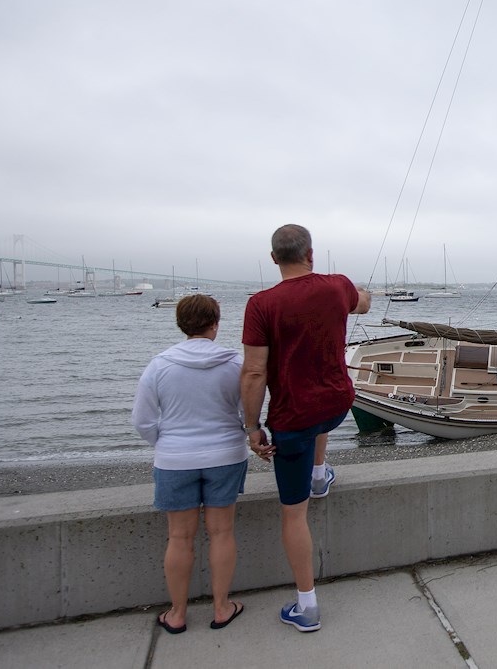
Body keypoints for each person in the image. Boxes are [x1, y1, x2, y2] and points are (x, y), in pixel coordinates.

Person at [241, 224, 371, 633]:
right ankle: (320, 475)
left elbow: (254, 373)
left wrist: (252, 427)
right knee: (319, 419)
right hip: (337, 405)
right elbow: (363, 303)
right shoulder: (337, 286)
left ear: (274, 259)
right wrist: (359, 294)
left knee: (294, 514)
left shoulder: (261, 304)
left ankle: (307, 606)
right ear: (310, 254)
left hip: (293, 419)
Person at [131, 294, 247, 634]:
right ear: (216, 322)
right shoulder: (234, 363)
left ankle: (178, 613)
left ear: (181, 324)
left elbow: (142, 420)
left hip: (174, 459)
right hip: (225, 456)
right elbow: (248, 411)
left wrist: (167, 444)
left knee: (179, 537)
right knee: (222, 532)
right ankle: (222, 607)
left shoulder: (159, 365)